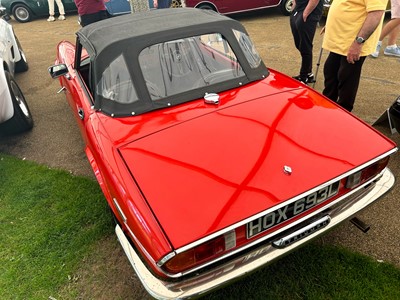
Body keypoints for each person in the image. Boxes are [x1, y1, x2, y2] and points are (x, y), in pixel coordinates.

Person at [322, 0, 387, 112]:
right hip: (341, 39)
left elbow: (376, 14)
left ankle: (344, 112)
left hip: (353, 41)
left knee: (347, 77)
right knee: (330, 70)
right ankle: (328, 106)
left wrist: (358, 42)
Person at [290, 0, 323, 84]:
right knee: (299, 44)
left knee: (305, 46)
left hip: (309, 13)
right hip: (297, 11)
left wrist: (306, 13)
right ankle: (308, 73)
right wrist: (294, 7)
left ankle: (303, 77)